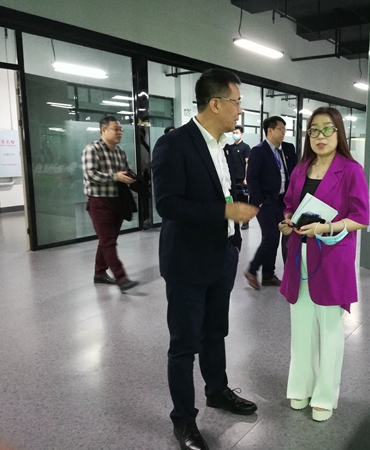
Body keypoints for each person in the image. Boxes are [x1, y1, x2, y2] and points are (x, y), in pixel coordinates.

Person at [152, 68, 259, 450]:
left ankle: (217, 390)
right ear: (215, 104)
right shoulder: (174, 144)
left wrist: (233, 240)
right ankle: (183, 421)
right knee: (184, 345)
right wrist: (225, 212)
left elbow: (223, 193)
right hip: (187, 261)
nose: (240, 110)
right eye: (236, 102)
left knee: (216, 331)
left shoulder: (224, 146)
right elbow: (168, 205)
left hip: (221, 254)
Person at [278, 107, 370, 422]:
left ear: (339, 132)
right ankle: (300, 386)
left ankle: (325, 395)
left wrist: (326, 227)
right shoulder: (300, 169)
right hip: (298, 253)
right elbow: (289, 205)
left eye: (327, 129)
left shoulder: (351, 170)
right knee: (301, 326)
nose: (320, 136)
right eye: (314, 130)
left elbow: (361, 218)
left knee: (329, 328)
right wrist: (287, 221)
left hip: (331, 256)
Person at [81, 116, 139, 293]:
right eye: (116, 129)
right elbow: (90, 175)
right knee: (108, 242)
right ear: (103, 130)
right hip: (99, 201)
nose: (120, 132)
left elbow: (126, 171)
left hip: (118, 201)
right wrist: (115, 177)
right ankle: (122, 278)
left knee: (108, 239)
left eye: (121, 129)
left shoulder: (121, 152)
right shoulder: (92, 149)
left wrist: (132, 178)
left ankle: (99, 273)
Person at [244, 116, 290, 290]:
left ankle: (268, 275)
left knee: (276, 238)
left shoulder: (285, 150)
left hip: (281, 201)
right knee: (270, 237)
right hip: (265, 202)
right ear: (270, 130)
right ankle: (252, 270)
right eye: (280, 129)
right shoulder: (259, 151)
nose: (283, 133)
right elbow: (252, 178)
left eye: (285, 129)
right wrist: (260, 202)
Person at [225, 125, 252, 229]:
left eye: (237, 133)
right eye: (233, 133)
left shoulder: (246, 147)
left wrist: (246, 178)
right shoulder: (230, 148)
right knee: (234, 201)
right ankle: (235, 222)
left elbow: (247, 163)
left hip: (242, 179)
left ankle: (245, 222)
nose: (235, 135)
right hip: (232, 179)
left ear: (242, 134)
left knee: (244, 200)